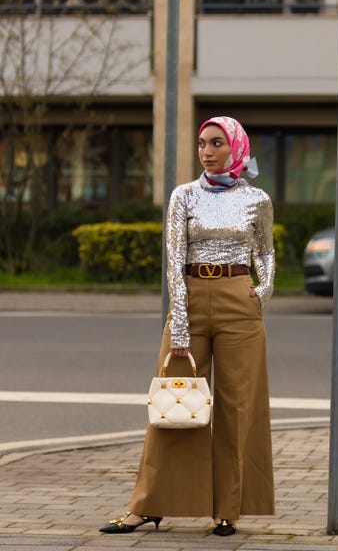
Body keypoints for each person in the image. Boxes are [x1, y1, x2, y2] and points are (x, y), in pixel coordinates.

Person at [99, 115, 275, 537]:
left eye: (216, 143)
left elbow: (265, 253)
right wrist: (179, 323)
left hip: (239, 302)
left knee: (237, 409)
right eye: (201, 144)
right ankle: (149, 506)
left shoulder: (258, 200)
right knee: (172, 405)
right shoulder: (184, 197)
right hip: (191, 300)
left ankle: (227, 510)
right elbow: (174, 262)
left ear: (236, 148)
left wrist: (262, 290)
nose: (207, 151)